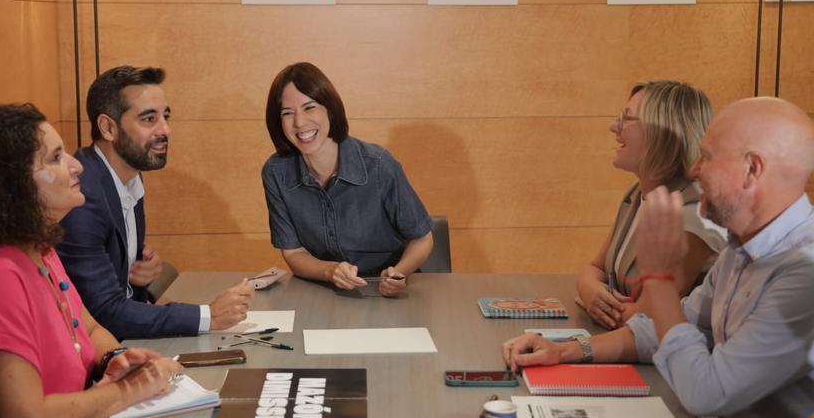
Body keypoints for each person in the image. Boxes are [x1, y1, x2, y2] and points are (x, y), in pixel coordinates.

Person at [503, 97, 814, 416]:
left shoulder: (805, 272)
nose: (694, 169)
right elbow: (670, 328)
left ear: (752, 169)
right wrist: (566, 351)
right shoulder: (741, 248)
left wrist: (660, 280)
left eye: (706, 157)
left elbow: (707, 394)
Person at [0, 104, 183, 417]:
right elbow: (28, 413)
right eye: (55, 157)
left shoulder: (41, 249)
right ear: (11, 188)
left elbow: (88, 329)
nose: (75, 165)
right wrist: (129, 389)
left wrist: (117, 358)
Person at [58, 66, 253, 340]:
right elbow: (105, 312)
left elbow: (120, 290)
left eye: (166, 116)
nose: (165, 130)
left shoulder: (129, 177)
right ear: (108, 127)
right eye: (149, 119)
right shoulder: (82, 197)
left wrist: (134, 273)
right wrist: (209, 316)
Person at [262, 62, 433, 297]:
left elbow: (422, 239)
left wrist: (398, 275)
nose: (299, 123)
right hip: (325, 292)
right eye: (287, 113)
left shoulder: (379, 164)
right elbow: (293, 253)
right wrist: (330, 271)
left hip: (386, 292)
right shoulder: (276, 172)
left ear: (329, 109)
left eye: (309, 108)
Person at [576, 81, 726, 329]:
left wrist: (596, 303)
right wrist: (590, 290)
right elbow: (594, 268)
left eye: (627, 119)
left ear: (662, 133)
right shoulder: (637, 194)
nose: (614, 127)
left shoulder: (696, 215)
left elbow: (644, 318)